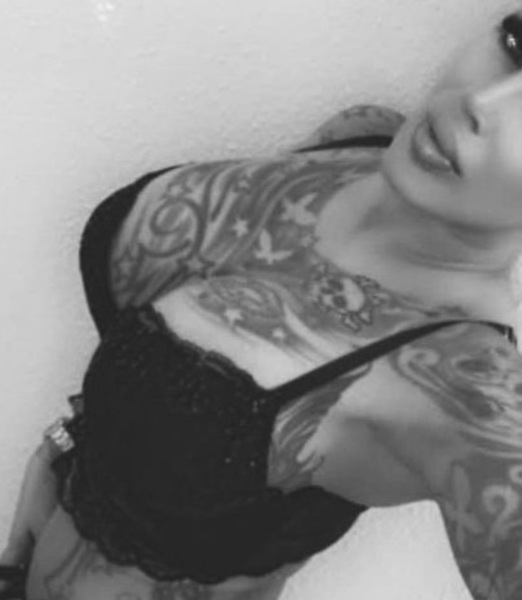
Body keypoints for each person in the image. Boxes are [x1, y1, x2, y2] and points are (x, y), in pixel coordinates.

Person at [2, 8, 522, 600]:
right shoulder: (361, 135)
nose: (481, 103)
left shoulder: (470, 391)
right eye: (516, 43)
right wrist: (63, 454)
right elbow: (152, 361)